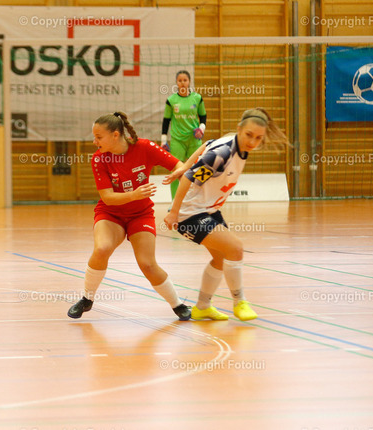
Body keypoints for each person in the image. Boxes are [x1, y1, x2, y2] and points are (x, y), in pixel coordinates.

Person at [163, 108, 286, 321]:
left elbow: (205, 144)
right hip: (189, 214)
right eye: (248, 135)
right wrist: (174, 212)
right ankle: (240, 302)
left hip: (208, 210)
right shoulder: (222, 154)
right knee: (235, 248)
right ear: (239, 129)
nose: (252, 141)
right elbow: (189, 179)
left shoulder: (233, 142)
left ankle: (202, 307)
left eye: (258, 138)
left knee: (221, 258)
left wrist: (184, 167)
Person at [67, 112, 191, 321]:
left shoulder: (145, 147)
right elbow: (107, 198)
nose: (94, 141)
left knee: (147, 264)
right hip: (111, 213)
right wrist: (133, 194)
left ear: (115, 135)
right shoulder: (99, 158)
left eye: (98, 137)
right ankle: (87, 299)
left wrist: (178, 173)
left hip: (141, 214)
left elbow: (180, 165)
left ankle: (178, 304)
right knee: (102, 248)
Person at [161, 70, 207, 199]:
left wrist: (201, 129)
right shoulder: (171, 100)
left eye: (185, 80)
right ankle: (175, 201)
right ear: (176, 82)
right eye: (180, 80)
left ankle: (200, 200)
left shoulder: (197, 98)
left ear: (189, 82)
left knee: (200, 169)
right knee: (176, 171)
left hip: (194, 140)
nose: (182, 83)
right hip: (177, 140)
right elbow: (166, 120)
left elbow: (203, 116)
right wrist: (163, 140)